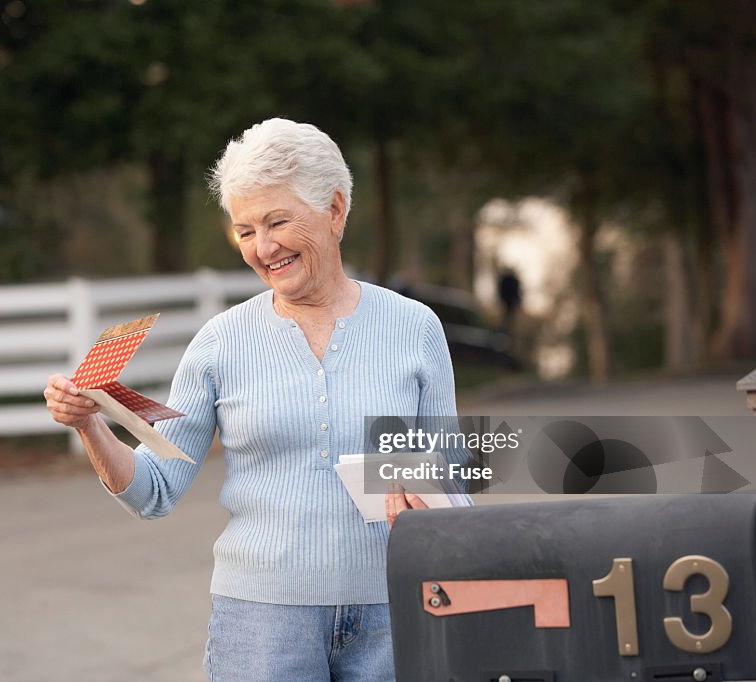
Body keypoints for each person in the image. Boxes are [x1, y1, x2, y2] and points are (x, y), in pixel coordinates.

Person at [44, 118, 471, 681]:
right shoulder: (221, 343)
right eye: (244, 231)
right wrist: (92, 429)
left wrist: (424, 497)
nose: (263, 247)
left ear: (336, 210)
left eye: (278, 222)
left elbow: (453, 477)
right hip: (262, 625)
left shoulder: (415, 328)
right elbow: (156, 490)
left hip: (394, 612)